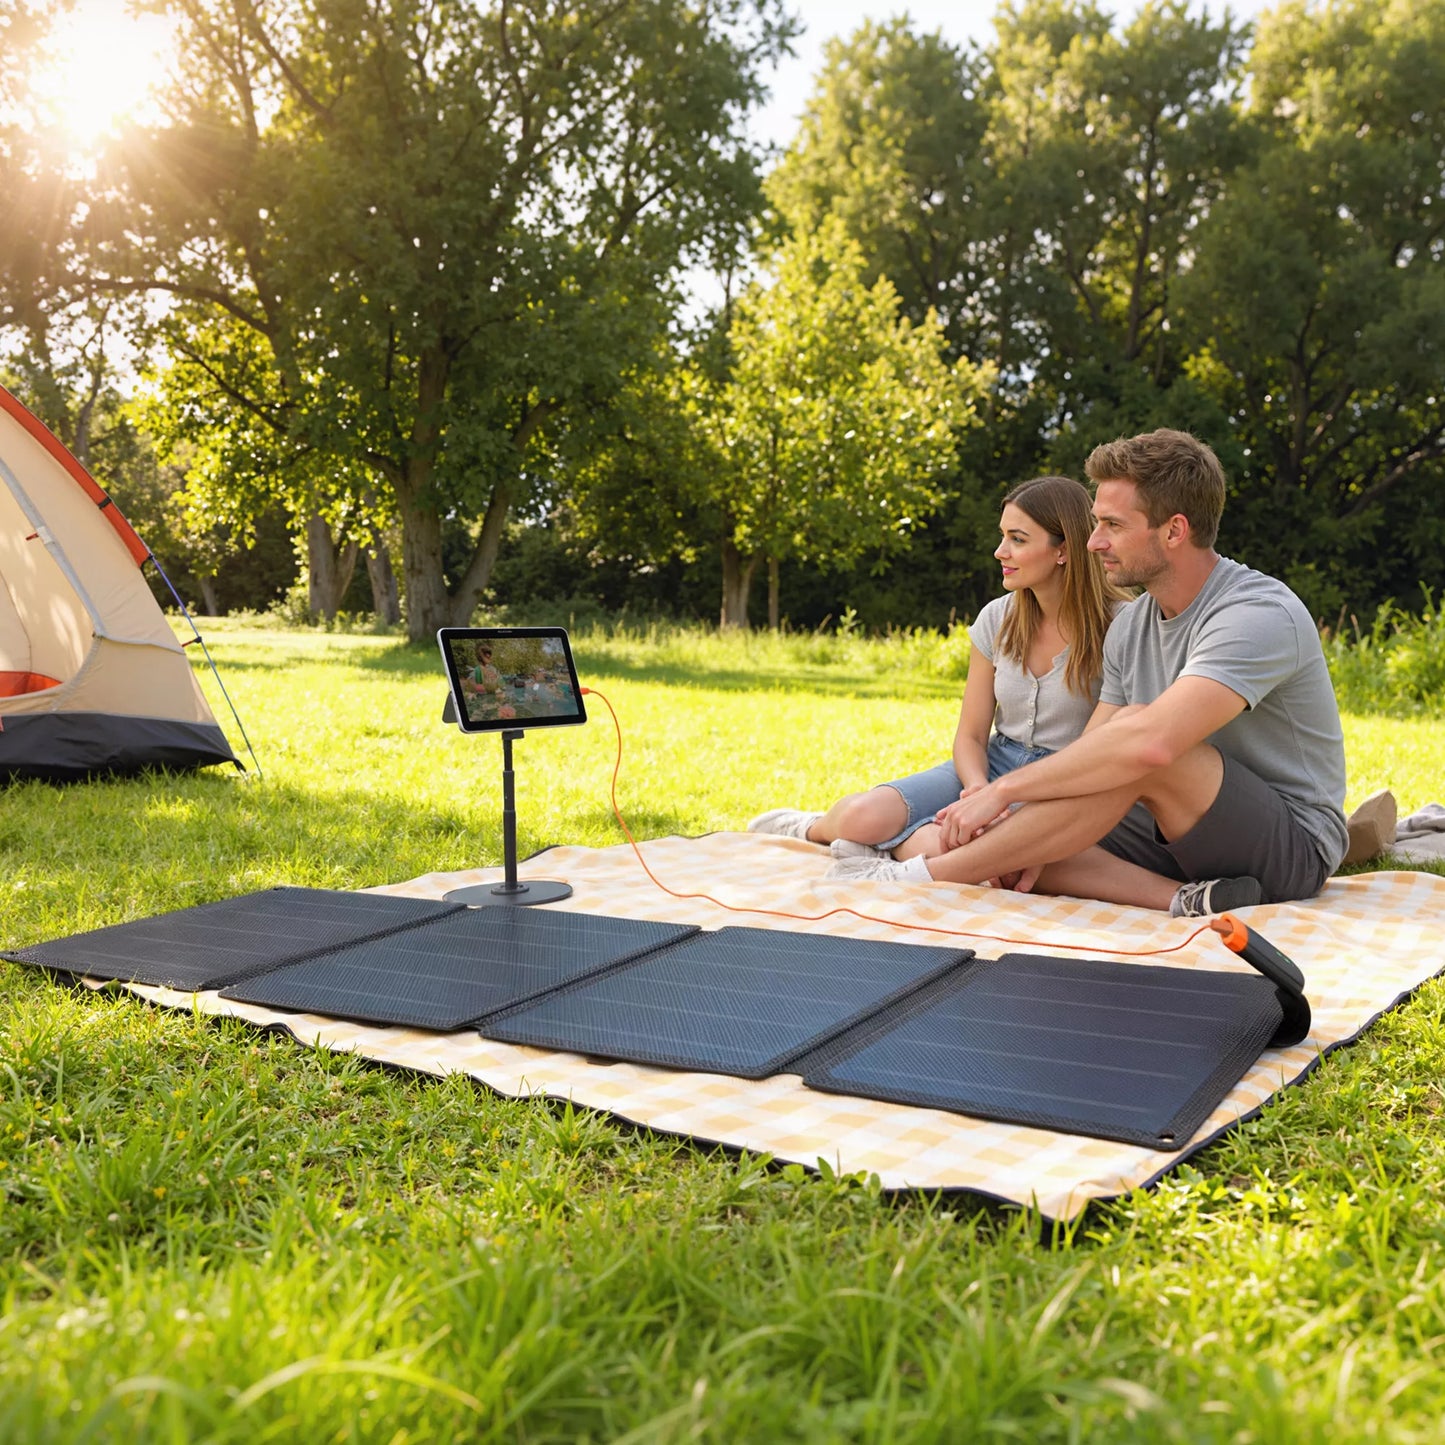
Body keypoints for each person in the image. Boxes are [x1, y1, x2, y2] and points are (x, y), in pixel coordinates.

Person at [825, 429, 1349, 917]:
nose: (1094, 541)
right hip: (1165, 830)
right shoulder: (1132, 628)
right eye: (1097, 522)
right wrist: (1020, 821)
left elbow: (1152, 746)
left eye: (1113, 525)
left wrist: (1002, 793)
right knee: (1000, 840)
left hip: (1287, 848)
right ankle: (1191, 901)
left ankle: (920, 879)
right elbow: (1091, 752)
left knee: (1140, 741)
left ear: (1174, 530)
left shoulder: (1256, 613)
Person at [749, 476, 1124, 861]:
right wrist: (978, 791)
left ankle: (888, 848)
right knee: (864, 815)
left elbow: (1097, 751)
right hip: (989, 764)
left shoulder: (1120, 625)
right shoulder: (997, 618)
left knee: (968, 853)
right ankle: (813, 828)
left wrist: (1004, 804)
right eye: (1002, 536)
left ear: (1063, 549)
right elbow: (972, 736)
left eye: (1018, 539)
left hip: (1059, 785)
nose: (1000, 552)